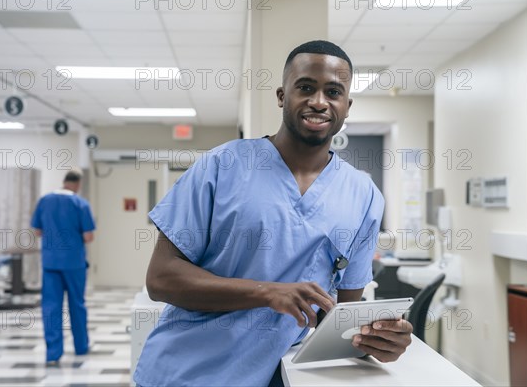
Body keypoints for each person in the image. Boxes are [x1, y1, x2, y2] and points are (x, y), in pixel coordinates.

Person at [133, 40, 413, 386]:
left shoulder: (364, 195)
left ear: (347, 105)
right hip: (185, 372)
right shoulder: (222, 166)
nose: (319, 102)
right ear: (283, 96)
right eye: (306, 88)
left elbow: (342, 322)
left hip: (276, 375)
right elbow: (160, 279)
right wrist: (268, 292)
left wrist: (379, 341)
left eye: (333, 92)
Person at [31, 169, 96, 365]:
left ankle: (53, 353)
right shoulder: (80, 204)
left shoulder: (44, 201)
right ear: (77, 184)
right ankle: (81, 346)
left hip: (51, 263)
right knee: (77, 304)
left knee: (51, 307)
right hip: (73, 262)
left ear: (63, 181)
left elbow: (37, 231)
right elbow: (88, 236)